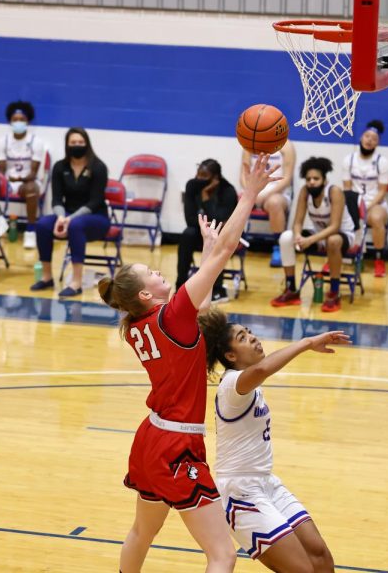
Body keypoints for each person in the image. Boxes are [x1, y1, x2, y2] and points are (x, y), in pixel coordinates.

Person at [97, 154, 277, 573]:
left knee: (142, 533)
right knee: (222, 554)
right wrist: (249, 194)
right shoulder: (171, 313)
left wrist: (210, 254)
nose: (161, 274)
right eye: (153, 274)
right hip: (178, 445)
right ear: (146, 294)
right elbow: (225, 257)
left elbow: (199, 321)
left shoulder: (142, 324)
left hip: (150, 439)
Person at [199, 308, 349, 572]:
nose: (254, 338)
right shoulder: (232, 385)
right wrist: (307, 342)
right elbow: (265, 369)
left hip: (266, 482)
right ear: (230, 356)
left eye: (250, 332)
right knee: (301, 569)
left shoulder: (248, 383)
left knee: (320, 557)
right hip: (240, 493)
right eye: (243, 338)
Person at [270, 157, 360, 313]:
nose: (311, 182)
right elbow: (297, 222)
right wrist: (298, 236)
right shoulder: (305, 192)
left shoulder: (334, 192)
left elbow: (334, 227)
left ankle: (334, 292)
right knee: (285, 237)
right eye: (308, 179)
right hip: (318, 234)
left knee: (332, 240)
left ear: (324, 180)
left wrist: (310, 239)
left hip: (342, 235)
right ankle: (291, 289)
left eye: (316, 178)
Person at [30, 127, 109, 297]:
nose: (77, 145)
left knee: (76, 225)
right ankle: (46, 277)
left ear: (87, 144)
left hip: (96, 218)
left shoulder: (98, 167)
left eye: (80, 142)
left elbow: (95, 201)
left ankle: (76, 282)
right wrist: (60, 217)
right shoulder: (60, 167)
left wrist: (68, 219)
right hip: (66, 215)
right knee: (43, 224)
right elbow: (56, 199)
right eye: (73, 142)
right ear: (67, 145)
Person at [177, 159, 238, 303]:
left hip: (224, 235)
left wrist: (206, 200)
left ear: (215, 178)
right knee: (187, 234)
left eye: (204, 176)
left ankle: (218, 289)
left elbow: (222, 220)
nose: (199, 179)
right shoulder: (192, 187)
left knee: (216, 236)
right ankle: (180, 284)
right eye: (198, 175)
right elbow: (190, 220)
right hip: (200, 233)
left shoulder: (228, 191)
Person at [0, 100, 47, 249]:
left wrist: (20, 178)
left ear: (28, 121)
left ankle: (30, 231)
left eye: (22, 120)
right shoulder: (3, 141)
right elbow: (1, 169)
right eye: (15, 120)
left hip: (28, 182)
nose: (18, 122)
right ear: (9, 121)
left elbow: (33, 172)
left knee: (31, 189)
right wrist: (2, 180)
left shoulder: (36, 141)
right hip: (9, 181)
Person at [343, 120, 388, 278]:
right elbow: (347, 188)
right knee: (339, 215)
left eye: (374, 138)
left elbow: (382, 191)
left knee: (376, 218)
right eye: (367, 136)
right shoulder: (349, 160)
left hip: (375, 203)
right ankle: (338, 256)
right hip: (354, 202)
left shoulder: (381, 162)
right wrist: (354, 206)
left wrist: (367, 206)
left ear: (377, 143)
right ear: (361, 138)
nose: (369, 140)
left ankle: (379, 259)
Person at [241, 139, 296, 267]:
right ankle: (233, 243)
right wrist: (251, 192)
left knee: (274, 203)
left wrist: (265, 195)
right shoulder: (249, 143)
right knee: (233, 199)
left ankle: (278, 248)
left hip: (278, 192)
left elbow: (287, 179)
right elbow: (243, 175)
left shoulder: (286, 146)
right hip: (254, 190)